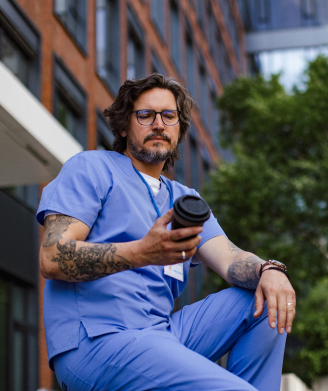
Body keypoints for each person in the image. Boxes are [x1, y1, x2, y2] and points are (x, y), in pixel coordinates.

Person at [36, 73, 295, 391]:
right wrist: (141, 252)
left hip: (163, 335)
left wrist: (269, 269)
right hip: (97, 342)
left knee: (268, 298)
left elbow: (230, 258)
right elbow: (51, 257)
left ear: (178, 130)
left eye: (169, 116)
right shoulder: (91, 168)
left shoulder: (186, 200)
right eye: (145, 115)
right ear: (123, 126)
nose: (158, 124)